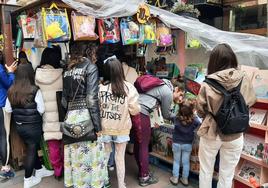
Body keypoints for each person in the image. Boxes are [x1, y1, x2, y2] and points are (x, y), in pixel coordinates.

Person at [196, 43, 256, 188]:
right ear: (233, 59)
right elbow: (250, 101)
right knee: (227, 174)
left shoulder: (207, 83)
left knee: (206, 171)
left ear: (213, 62)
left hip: (211, 133)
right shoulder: (244, 78)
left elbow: (200, 110)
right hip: (235, 134)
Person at [62, 43, 108, 188]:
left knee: (75, 159)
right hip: (86, 118)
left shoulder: (67, 69)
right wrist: (97, 126)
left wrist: (68, 117)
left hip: (70, 117)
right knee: (91, 158)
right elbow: (91, 99)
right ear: (90, 52)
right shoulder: (90, 68)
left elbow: (63, 100)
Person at [5, 64, 53, 188]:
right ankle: (28, 179)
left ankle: (39, 169)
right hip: (34, 126)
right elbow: (41, 109)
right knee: (32, 149)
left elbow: (8, 109)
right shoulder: (34, 90)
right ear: (31, 74)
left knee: (31, 147)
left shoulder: (11, 90)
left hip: (20, 127)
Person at [132, 76, 184, 186]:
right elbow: (166, 114)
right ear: (177, 89)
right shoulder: (167, 92)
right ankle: (144, 177)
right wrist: (180, 117)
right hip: (142, 113)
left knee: (139, 144)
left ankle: (142, 171)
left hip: (135, 111)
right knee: (144, 146)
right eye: (180, 95)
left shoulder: (160, 84)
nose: (180, 99)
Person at [99, 56, 140, 188]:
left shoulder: (100, 88)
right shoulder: (129, 88)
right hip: (122, 128)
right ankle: (121, 185)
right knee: (119, 158)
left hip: (104, 128)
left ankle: (103, 182)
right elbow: (134, 110)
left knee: (104, 156)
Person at [35, 47, 63, 179]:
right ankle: (67, 170)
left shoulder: (37, 75)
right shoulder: (61, 74)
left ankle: (57, 172)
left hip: (47, 117)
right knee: (64, 145)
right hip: (61, 116)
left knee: (53, 147)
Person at [169, 99, 201, 186]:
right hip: (187, 144)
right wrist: (194, 114)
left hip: (176, 143)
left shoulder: (176, 118)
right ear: (192, 110)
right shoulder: (195, 120)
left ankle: (175, 178)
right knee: (186, 162)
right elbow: (200, 122)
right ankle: (185, 179)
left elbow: (168, 114)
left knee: (176, 161)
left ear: (180, 109)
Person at [0, 50, 17, 179]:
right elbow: (10, 84)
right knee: (4, 136)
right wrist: (11, 73)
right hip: (1, 105)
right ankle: (5, 168)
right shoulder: (0, 69)